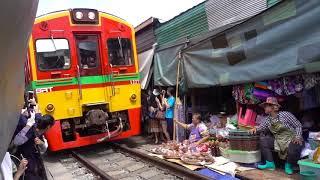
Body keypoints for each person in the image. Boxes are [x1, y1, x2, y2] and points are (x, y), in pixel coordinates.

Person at [250, 97, 304, 175]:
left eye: (266, 106)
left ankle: (288, 165)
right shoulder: (268, 119)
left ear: (273, 107)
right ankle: (270, 164)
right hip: (279, 140)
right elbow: (261, 127)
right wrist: (255, 129)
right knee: (263, 140)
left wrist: (298, 136)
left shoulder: (285, 114)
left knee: (293, 146)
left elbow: (298, 125)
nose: (264, 108)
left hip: (292, 138)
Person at [13, 103, 54, 180]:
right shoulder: (30, 130)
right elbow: (16, 142)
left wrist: (41, 143)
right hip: (26, 162)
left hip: (34, 161)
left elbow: (44, 149)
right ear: (48, 127)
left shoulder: (38, 128)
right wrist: (28, 125)